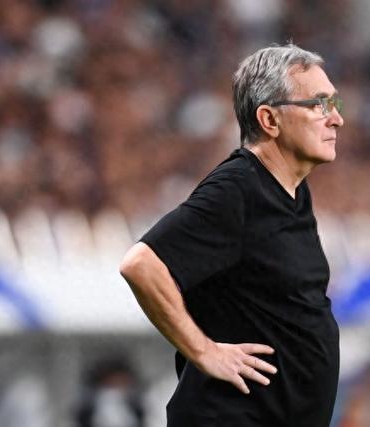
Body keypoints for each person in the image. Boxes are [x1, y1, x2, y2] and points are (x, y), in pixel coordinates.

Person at [119, 44, 345, 426]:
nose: (336, 118)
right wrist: (203, 351)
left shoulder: (292, 189)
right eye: (319, 104)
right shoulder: (237, 188)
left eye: (335, 103)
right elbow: (142, 265)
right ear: (269, 119)